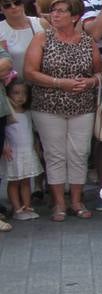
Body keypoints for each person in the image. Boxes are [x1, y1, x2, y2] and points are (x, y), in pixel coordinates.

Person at [24, 0, 102, 221]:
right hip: (48, 105)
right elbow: (29, 72)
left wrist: (91, 81)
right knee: (55, 153)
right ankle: (58, 202)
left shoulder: (87, 41)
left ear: (75, 16)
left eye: (61, 11)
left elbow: (99, 71)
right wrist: (60, 83)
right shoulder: (42, 38)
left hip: (82, 105)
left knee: (79, 152)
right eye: (53, 10)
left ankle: (77, 200)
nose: (54, 15)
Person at [4, 80, 40, 220]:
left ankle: (27, 206)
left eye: (24, 93)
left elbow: (31, 132)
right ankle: (17, 209)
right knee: (14, 181)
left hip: (27, 152)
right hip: (13, 152)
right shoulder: (8, 113)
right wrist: (4, 145)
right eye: (16, 93)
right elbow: (5, 133)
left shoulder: (28, 112)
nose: (20, 97)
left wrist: (36, 147)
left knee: (26, 180)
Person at [0, 0, 44, 81]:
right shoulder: (1, 30)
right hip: (13, 87)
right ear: (1, 10)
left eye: (17, 3)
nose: (14, 7)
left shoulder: (41, 23)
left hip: (40, 84)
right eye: (7, 5)